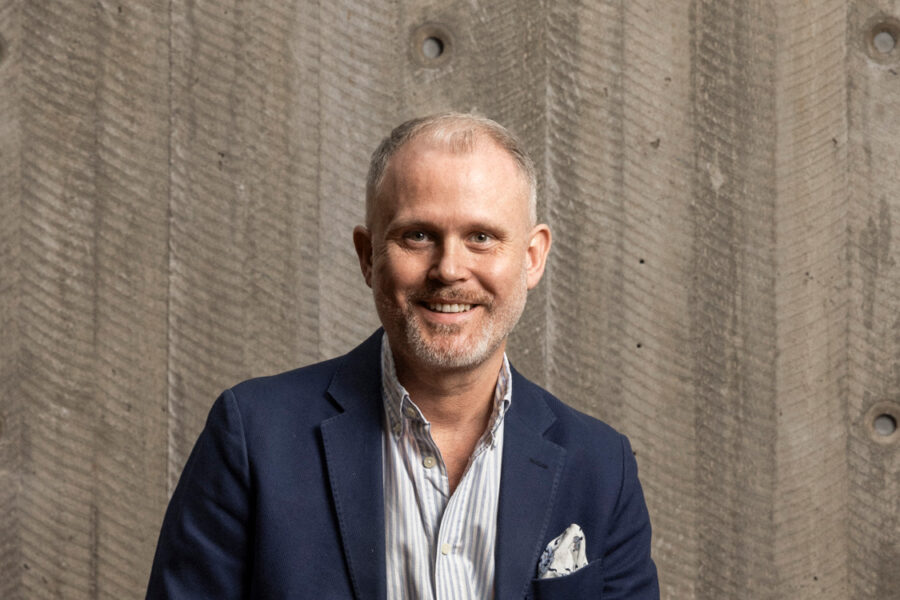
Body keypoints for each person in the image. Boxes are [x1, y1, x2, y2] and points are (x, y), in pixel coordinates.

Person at [146, 113, 659, 599]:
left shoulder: (601, 468)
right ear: (368, 256)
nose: (449, 269)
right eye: (418, 236)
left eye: (481, 237)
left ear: (532, 257)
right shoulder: (254, 437)